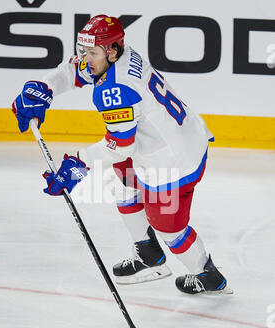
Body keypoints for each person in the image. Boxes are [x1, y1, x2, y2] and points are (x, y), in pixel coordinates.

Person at [12, 14, 231, 294]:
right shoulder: (117, 56)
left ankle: (207, 275)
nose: (85, 58)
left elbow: (119, 146)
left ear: (112, 50)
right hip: (180, 137)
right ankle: (148, 254)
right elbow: (71, 73)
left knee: (168, 227)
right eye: (84, 51)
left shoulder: (116, 89)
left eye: (91, 53)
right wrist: (44, 88)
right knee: (125, 180)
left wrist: (78, 163)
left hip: (174, 163)